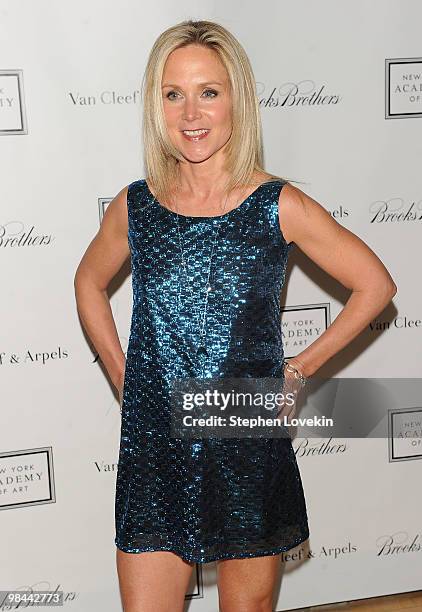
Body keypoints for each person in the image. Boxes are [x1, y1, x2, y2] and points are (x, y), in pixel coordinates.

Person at [74, 18, 397, 612]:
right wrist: (124, 377)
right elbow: (88, 283)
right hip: (155, 447)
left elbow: (375, 285)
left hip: (244, 438)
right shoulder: (136, 207)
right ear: (156, 105)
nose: (191, 113)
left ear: (236, 100)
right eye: (174, 94)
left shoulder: (278, 205)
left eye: (209, 92)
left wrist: (297, 370)